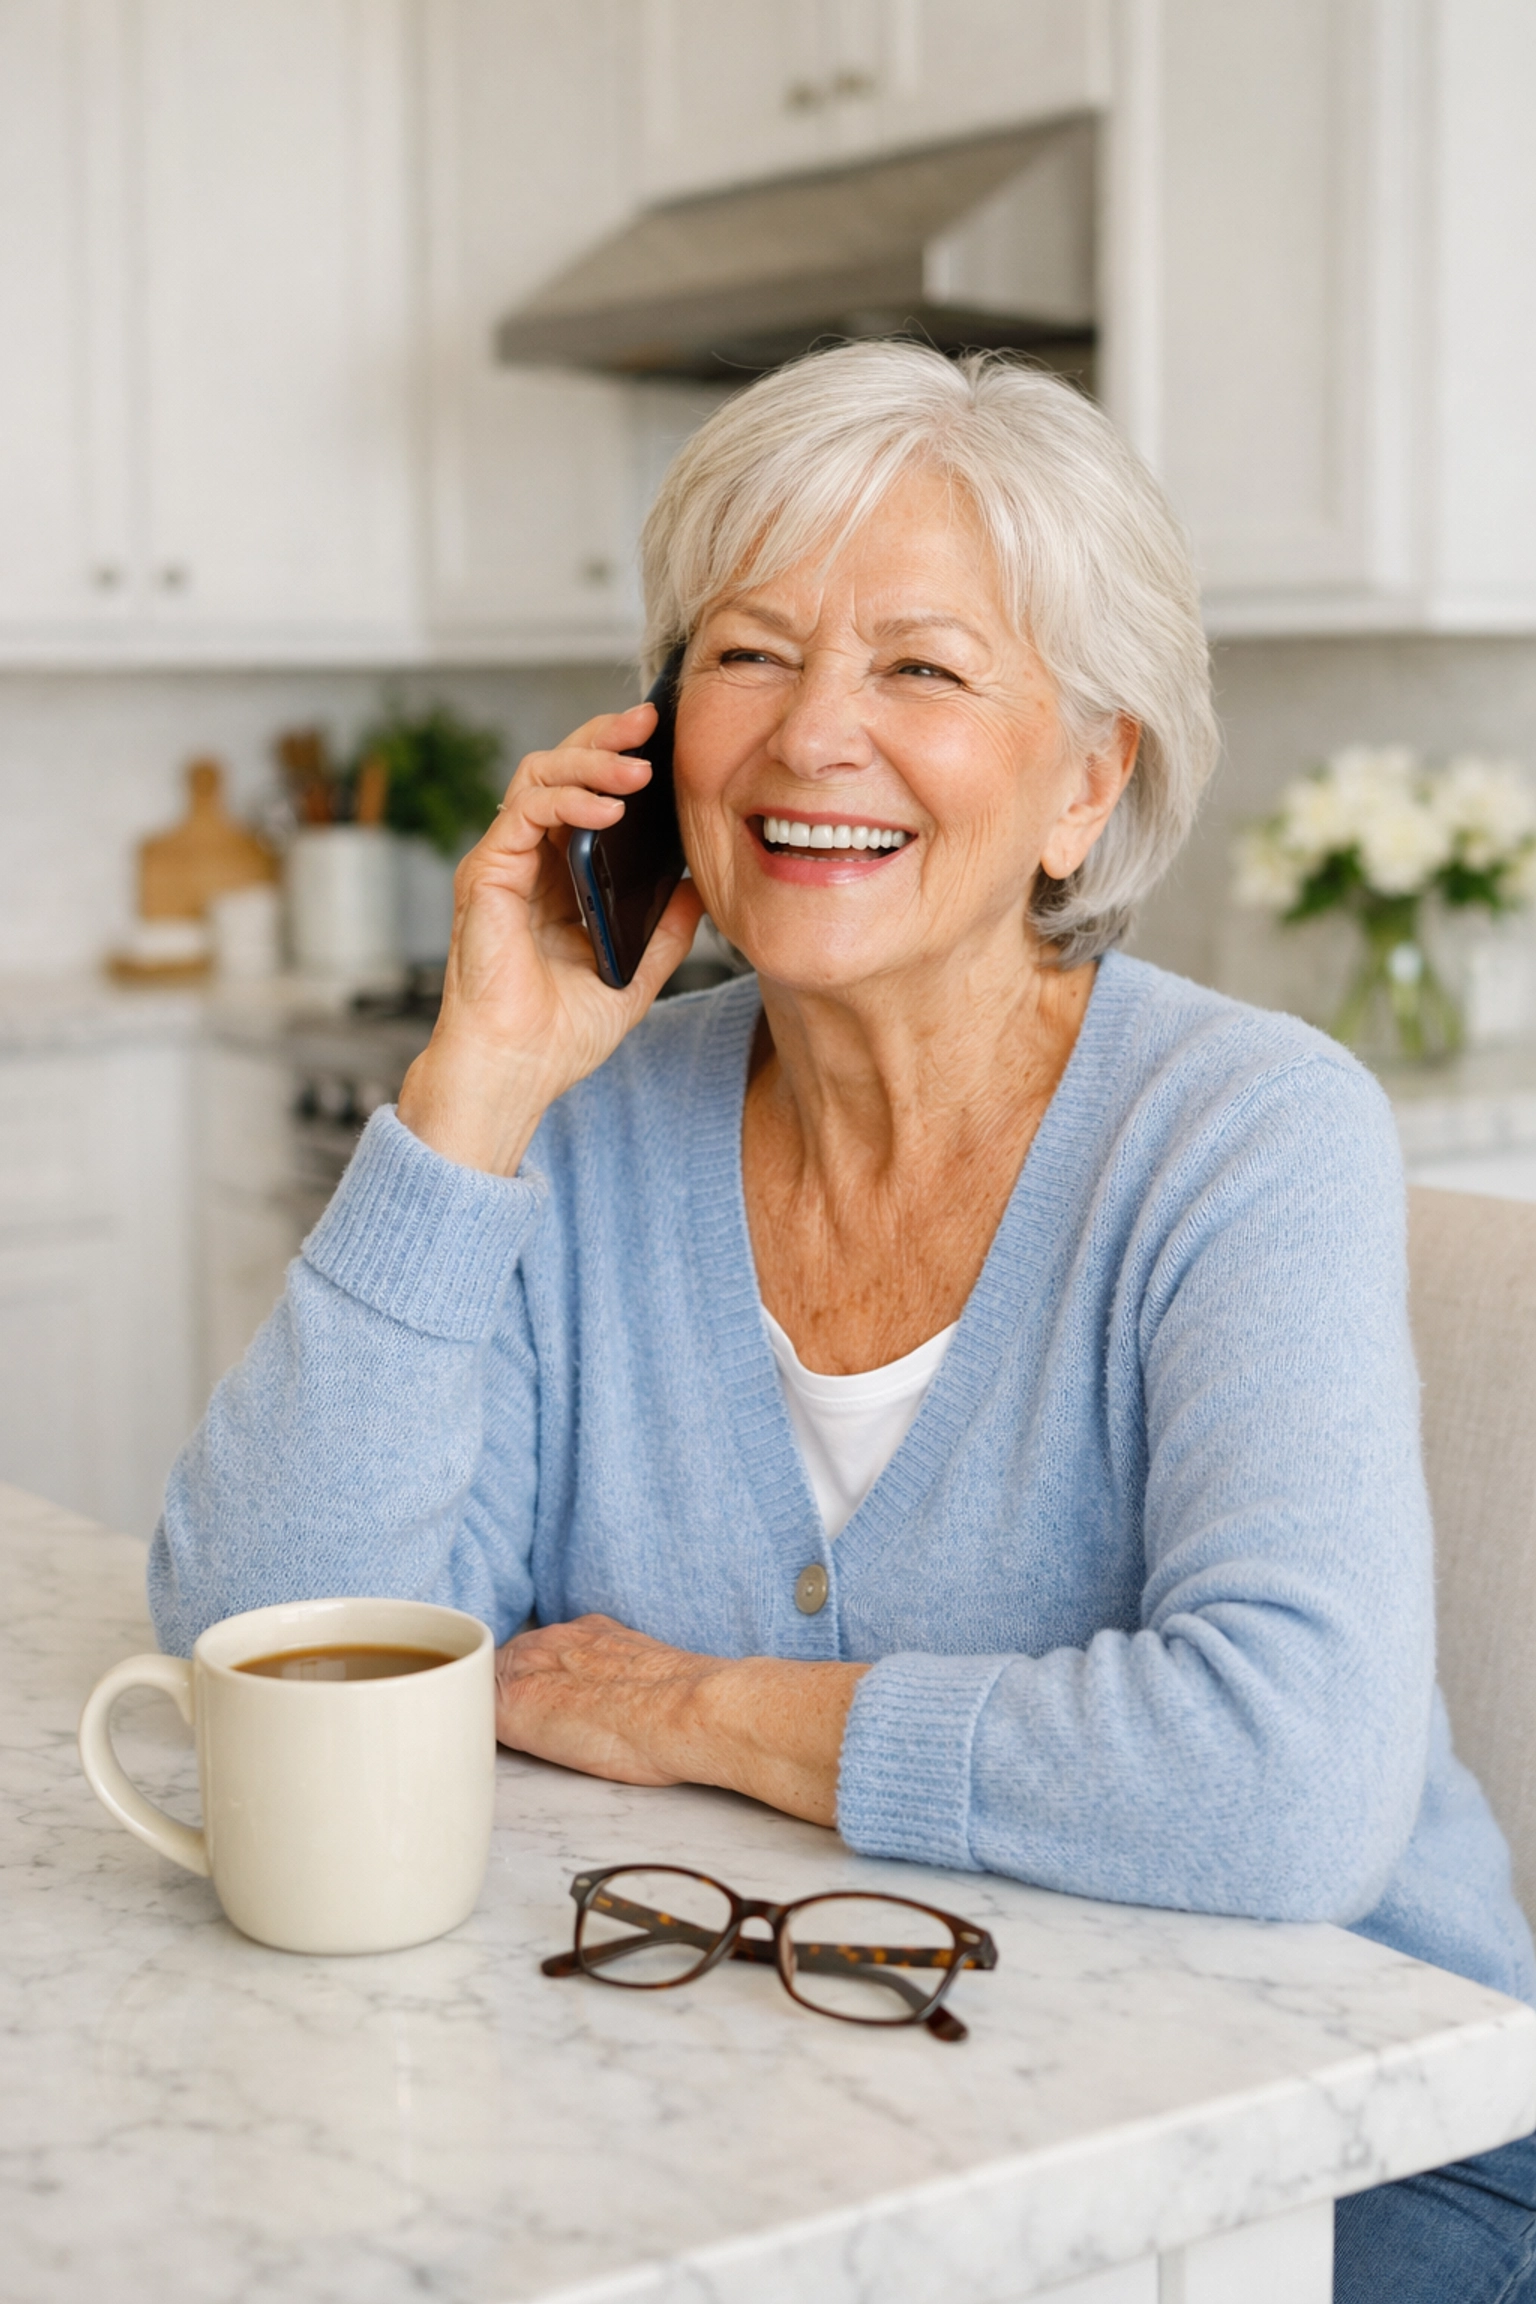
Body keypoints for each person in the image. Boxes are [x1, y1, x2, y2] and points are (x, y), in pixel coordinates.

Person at [151, 343, 1536, 2300]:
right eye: (748, 653)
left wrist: (704, 1710)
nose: (815, 736)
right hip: (821, 2123)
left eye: (922, 667)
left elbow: (1285, 1785)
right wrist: (471, 1090)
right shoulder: (590, 1133)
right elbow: (267, 1670)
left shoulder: (1243, 1130)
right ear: (654, 738)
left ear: (1083, 782)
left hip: (1355, 2158)